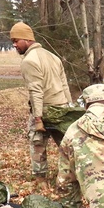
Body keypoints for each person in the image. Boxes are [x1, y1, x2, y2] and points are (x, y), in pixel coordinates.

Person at [11, 22, 71, 176]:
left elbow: (36, 91)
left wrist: (38, 119)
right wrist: (69, 107)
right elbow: (65, 85)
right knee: (66, 146)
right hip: (62, 108)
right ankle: (72, 176)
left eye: (16, 40)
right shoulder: (53, 57)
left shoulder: (29, 61)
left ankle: (41, 179)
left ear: (27, 39)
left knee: (37, 144)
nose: (14, 45)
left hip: (45, 110)